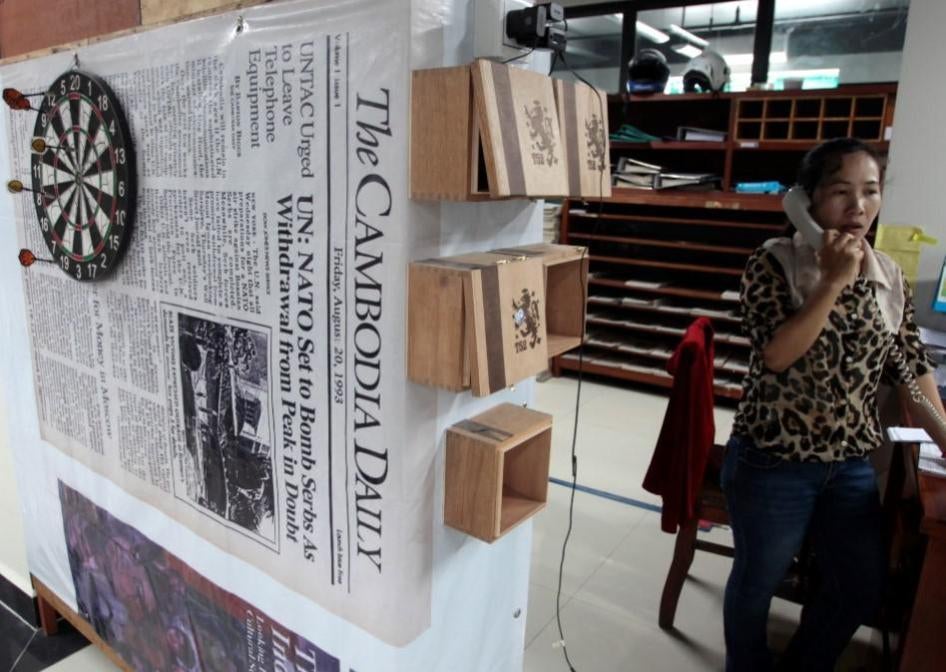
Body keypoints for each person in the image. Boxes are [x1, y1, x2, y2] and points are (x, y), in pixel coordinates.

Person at [722, 137, 946, 672]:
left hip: (849, 466)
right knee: (758, 583)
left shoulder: (887, 275)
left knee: (861, 586)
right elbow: (777, 355)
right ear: (807, 201)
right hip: (774, 459)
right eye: (841, 192)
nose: (858, 208)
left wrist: (942, 432)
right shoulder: (774, 262)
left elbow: (909, 366)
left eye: (869, 192)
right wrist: (831, 282)